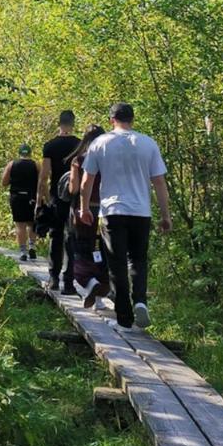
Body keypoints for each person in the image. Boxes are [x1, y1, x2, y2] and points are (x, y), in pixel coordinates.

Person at [78, 103, 172, 331]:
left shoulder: (101, 143)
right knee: (138, 259)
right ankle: (140, 300)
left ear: (111, 120)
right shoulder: (148, 143)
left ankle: (124, 319)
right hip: (141, 212)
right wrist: (165, 215)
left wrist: (84, 208)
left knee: (117, 264)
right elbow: (159, 182)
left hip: (113, 211)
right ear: (133, 119)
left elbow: (86, 181)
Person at [67, 125, 110, 309]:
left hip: (84, 211)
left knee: (82, 250)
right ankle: (100, 298)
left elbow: (74, 189)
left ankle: (90, 283)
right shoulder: (109, 158)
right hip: (107, 211)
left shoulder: (79, 160)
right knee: (102, 253)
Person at [39, 110, 80, 293]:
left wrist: (46, 199)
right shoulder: (80, 145)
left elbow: (44, 176)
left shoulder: (50, 146)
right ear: (73, 124)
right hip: (75, 198)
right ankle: (69, 282)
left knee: (56, 236)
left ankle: (54, 278)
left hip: (57, 196)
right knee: (72, 238)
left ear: (59, 123)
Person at [1, 144, 39, 261]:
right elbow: (42, 182)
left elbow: (4, 182)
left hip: (17, 197)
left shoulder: (12, 164)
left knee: (20, 225)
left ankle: (23, 251)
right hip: (31, 197)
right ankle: (32, 246)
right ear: (30, 153)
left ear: (19, 153)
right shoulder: (36, 165)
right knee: (32, 223)